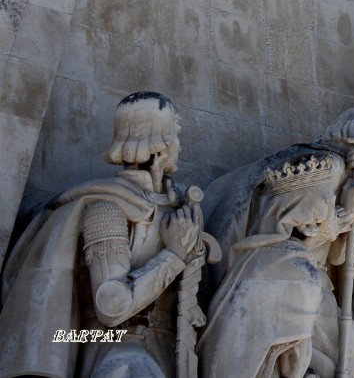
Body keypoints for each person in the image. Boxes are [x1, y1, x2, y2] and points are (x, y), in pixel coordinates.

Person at [0, 92, 203, 378]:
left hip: (170, 353)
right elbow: (112, 306)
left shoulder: (180, 206)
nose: (178, 145)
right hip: (113, 348)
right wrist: (173, 255)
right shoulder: (107, 207)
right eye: (175, 135)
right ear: (160, 145)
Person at [200, 106, 354, 378]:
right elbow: (295, 244)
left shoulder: (337, 175)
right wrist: (347, 213)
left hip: (313, 292)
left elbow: (338, 256)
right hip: (289, 287)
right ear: (353, 135)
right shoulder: (325, 166)